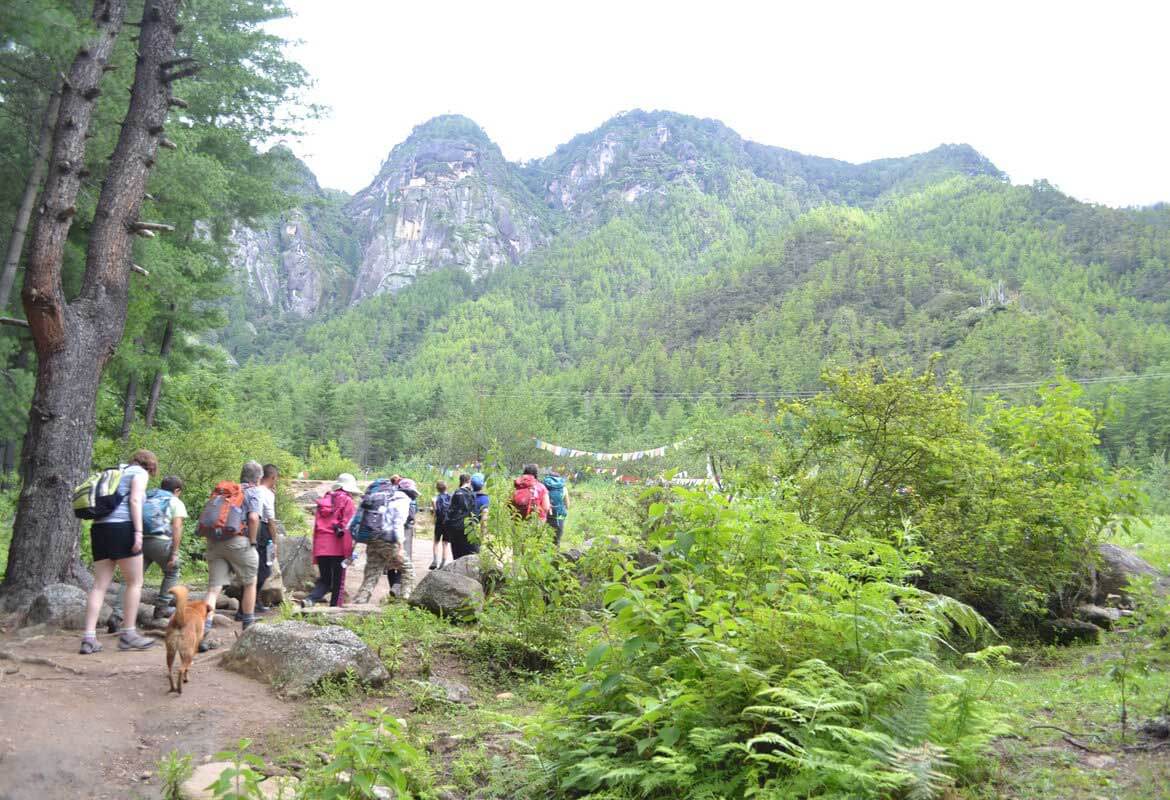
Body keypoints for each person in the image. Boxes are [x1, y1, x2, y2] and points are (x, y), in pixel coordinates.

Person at [79, 450, 159, 653]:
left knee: (99, 586)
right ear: (150, 466)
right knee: (135, 582)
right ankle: (128, 634)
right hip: (123, 528)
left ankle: (88, 638)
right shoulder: (139, 473)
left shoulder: (116, 472)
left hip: (100, 529)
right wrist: (139, 532)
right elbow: (134, 501)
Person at [108, 474, 187, 631]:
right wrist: (175, 553)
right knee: (172, 571)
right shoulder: (174, 501)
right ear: (176, 490)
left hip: (138, 540)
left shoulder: (147, 496)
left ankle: (117, 615)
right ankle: (161, 608)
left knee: (131, 580)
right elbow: (177, 527)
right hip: (160, 542)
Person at [200, 461, 263, 651]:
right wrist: (252, 541)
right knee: (250, 582)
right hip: (239, 541)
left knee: (213, 589)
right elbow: (253, 518)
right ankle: (247, 629)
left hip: (215, 541)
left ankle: (202, 629)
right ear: (258, 478)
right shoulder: (253, 492)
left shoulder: (228, 491)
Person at [302, 473, 358, 608]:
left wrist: (316, 551)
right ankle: (334, 609)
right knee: (338, 583)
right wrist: (348, 553)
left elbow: (316, 527)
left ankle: (310, 599)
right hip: (338, 548)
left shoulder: (324, 501)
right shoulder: (348, 501)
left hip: (321, 547)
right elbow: (347, 528)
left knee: (325, 580)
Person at [353, 476, 410, 603]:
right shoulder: (401, 499)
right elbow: (397, 523)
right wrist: (400, 547)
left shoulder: (380, 496)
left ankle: (360, 600)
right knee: (408, 570)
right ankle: (405, 600)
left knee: (372, 572)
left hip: (372, 537)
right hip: (388, 540)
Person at [246, 463, 279, 614]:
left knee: (252, 566)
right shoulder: (267, 493)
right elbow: (271, 520)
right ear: (273, 477)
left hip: (247, 529)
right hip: (262, 531)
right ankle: (251, 603)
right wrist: (275, 542)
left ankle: (252, 601)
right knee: (264, 569)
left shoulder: (251, 489)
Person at [446, 473, 479, 560]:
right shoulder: (470, 494)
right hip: (467, 528)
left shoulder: (454, 493)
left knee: (457, 554)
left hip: (454, 528)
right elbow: (473, 513)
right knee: (471, 553)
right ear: (469, 481)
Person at [541, 468, 570, 547]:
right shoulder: (563, 488)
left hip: (545, 517)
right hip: (558, 517)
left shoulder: (543, 487)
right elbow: (568, 505)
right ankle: (555, 557)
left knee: (542, 541)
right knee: (556, 541)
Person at [430, 480, 453, 570]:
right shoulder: (451, 497)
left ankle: (435, 561)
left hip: (439, 522)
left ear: (437, 489)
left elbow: (435, 513)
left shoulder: (435, 498)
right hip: (447, 523)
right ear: (446, 487)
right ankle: (443, 563)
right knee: (445, 543)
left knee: (436, 542)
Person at [471, 472, 489, 539]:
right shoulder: (484, 498)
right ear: (482, 485)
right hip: (475, 532)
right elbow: (484, 519)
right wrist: (483, 536)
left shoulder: (467, 495)